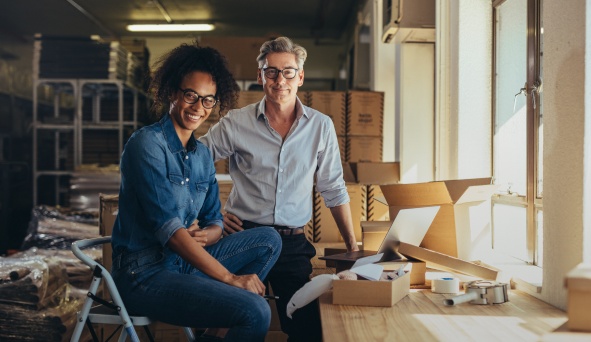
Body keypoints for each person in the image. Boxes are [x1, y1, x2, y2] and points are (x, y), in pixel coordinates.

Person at [110, 42, 282, 342]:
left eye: (207, 100)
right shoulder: (147, 145)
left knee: (269, 240)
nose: (198, 108)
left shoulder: (202, 155)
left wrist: (208, 234)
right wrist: (230, 279)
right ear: (172, 93)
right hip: (144, 275)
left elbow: (214, 220)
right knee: (255, 311)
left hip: (183, 264)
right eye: (191, 95)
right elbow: (171, 231)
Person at [199, 36, 359, 342]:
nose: (279, 80)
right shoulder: (236, 123)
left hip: (292, 243)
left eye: (287, 72)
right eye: (270, 71)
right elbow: (193, 164)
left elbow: (333, 188)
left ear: (300, 76)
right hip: (243, 237)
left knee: (307, 328)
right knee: (229, 324)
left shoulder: (320, 126)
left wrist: (352, 245)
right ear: (260, 76)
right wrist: (215, 214)